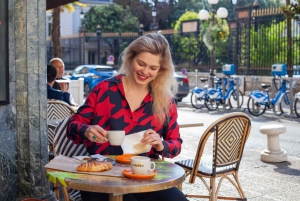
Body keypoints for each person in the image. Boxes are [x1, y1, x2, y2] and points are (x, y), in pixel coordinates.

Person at [66, 33, 187, 201]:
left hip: (143, 175)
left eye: (153, 68)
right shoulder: (104, 90)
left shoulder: (165, 101)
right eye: (141, 64)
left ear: (161, 70)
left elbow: (176, 145)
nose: (145, 72)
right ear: (131, 58)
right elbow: (72, 126)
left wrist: (160, 145)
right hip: (102, 177)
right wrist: (86, 130)